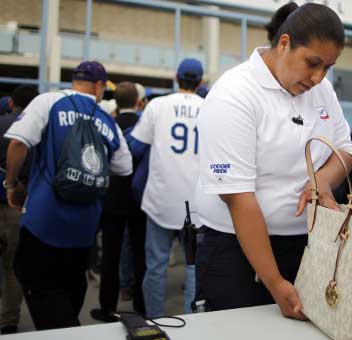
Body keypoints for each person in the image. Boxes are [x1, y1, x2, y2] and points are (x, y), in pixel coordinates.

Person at [192, 2, 352, 319]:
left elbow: (344, 150)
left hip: (306, 245)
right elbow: (238, 197)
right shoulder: (235, 94)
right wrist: (274, 281)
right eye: (312, 63)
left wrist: (321, 180)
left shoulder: (323, 92)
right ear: (284, 43)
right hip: (236, 251)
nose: (319, 77)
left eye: (328, 68)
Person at [3, 61, 132, 330]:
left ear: (75, 80)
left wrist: (11, 184)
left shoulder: (48, 102)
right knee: (71, 289)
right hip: (84, 230)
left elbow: (17, 143)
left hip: (43, 222)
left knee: (39, 287)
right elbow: (124, 166)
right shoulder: (107, 118)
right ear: (98, 86)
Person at [129, 58, 204, 318]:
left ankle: (155, 323)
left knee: (156, 267)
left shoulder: (158, 105)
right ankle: (190, 325)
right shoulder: (209, 107)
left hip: (161, 198)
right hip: (196, 204)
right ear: (201, 82)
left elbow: (136, 146)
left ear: (176, 77)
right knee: (194, 269)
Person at [90, 82, 147, 322]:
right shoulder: (145, 126)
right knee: (141, 256)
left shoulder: (108, 125)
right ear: (138, 102)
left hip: (112, 199)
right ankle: (141, 308)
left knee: (111, 256)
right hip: (140, 200)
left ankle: (107, 308)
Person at [0, 85, 38, 334]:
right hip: (19, 204)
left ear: (12, 103)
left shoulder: (1, 122)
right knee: (12, 267)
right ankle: (9, 320)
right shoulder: (38, 129)